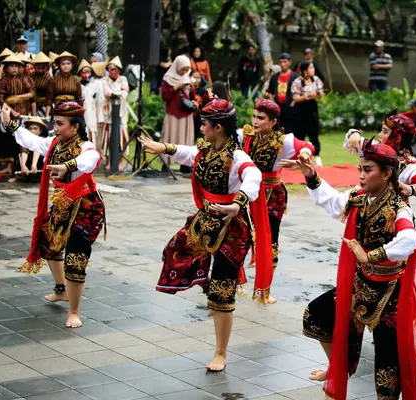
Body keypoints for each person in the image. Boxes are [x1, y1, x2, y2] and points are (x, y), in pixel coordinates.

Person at [138, 98, 273, 372]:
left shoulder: (238, 157)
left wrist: (238, 204)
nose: (201, 129)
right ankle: (209, 287)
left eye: (204, 124)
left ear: (219, 128)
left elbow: (254, 177)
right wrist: (160, 147)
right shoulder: (207, 150)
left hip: (233, 227)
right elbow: (187, 153)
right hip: (206, 219)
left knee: (223, 291)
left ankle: (221, 351)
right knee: (173, 251)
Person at [288, 139, 416, 400]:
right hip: (360, 285)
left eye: (368, 169)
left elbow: (409, 239)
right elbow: (333, 203)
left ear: (386, 174)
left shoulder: (399, 208)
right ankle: (338, 368)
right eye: (360, 169)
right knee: (316, 315)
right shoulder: (359, 198)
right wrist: (310, 175)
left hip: (389, 294)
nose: (361, 175)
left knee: (387, 371)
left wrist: (369, 255)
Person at [1, 101, 105, 329]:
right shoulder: (54, 143)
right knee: (48, 245)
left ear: (75, 127)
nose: (55, 128)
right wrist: (11, 124)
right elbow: (33, 141)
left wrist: (67, 166)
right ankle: (62, 290)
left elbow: (93, 159)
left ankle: (74, 311)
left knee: (75, 259)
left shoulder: (85, 146)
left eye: (60, 124)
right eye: (54, 123)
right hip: (62, 205)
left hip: (85, 207)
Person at [241, 98, 315, 303]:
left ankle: (265, 289)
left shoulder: (283, 141)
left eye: (261, 118)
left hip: (272, 196)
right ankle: (233, 281)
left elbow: (307, 146)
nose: (255, 121)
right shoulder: (247, 135)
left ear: (273, 122)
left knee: (269, 241)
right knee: (240, 236)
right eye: (254, 116)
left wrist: (302, 156)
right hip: (248, 193)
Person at [0, 54, 35, 175]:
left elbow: (32, 93)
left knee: (22, 140)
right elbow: (0, 99)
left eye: (16, 66)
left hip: (22, 113)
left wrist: (18, 97)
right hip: (9, 113)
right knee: (8, 140)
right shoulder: (4, 81)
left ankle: (21, 166)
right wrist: (12, 111)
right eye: (11, 66)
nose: (14, 69)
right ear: (7, 68)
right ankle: (9, 166)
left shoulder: (23, 80)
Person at [160, 55, 197, 174]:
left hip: (186, 114)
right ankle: (167, 163)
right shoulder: (168, 78)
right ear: (177, 66)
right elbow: (165, 96)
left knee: (185, 139)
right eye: (183, 69)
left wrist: (191, 89)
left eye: (187, 69)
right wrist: (176, 86)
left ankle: (185, 164)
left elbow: (192, 96)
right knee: (171, 136)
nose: (184, 72)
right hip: (173, 114)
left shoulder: (187, 78)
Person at [97, 57, 129, 171]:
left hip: (120, 114)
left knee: (121, 139)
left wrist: (118, 92)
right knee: (108, 140)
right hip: (108, 114)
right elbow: (106, 93)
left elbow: (125, 91)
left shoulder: (123, 79)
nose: (113, 72)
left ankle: (120, 161)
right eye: (110, 69)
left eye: (115, 69)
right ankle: (109, 161)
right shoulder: (103, 81)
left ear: (119, 70)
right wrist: (118, 92)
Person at [291, 61, 324, 167]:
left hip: (312, 107)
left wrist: (317, 94)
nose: (313, 70)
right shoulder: (297, 82)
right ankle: (298, 158)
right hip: (300, 109)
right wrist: (307, 96)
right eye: (311, 68)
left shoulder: (316, 80)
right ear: (305, 71)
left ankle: (317, 156)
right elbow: (295, 99)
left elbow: (320, 94)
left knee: (314, 131)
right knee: (299, 133)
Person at [265, 53, 299, 134]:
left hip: (290, 107)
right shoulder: (274, 77)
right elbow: (270, 92)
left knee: (290, 129)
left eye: (285, 61)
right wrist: (273, 103)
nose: (283, 64)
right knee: (277, 128)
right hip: (278, 107)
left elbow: (299, 91)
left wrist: (294, 102)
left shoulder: (295, 76)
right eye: (280, 62)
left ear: (290, 63)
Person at [13, 116, 48, 182]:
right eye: (30, 128)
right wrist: (23, 165)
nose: (32, 131)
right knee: (20, 156)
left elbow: (37, 148)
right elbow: (24, 150)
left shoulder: (43, 139)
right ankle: (20, 177)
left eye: (35, 129)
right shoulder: (25, 139)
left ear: (40, 131)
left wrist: (34, 165)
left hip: (38, 166)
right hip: (27, 166)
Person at [29, 52, 52, 117]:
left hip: (43, 105)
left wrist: (47, 114)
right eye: (38, 67)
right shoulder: (30, 75)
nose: (40, 69)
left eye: (42, 67)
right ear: (35, 66)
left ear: (47, 67)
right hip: (30, 104)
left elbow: (49, 96)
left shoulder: (49, 78)